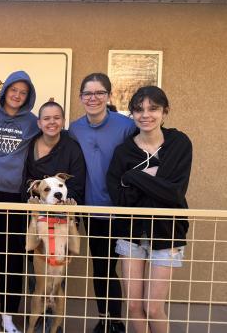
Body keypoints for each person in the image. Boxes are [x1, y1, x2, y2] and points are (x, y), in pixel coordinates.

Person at [107, 86, 192, 333]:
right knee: (133, 305)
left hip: (166, 234)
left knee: (153, 307)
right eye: (139, 109)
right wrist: (153, 179)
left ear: (165, 112)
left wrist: (133, 176)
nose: (146, 114)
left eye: (153, 108)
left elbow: (174, 193)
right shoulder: (124, 151)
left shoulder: (179, 143)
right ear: (132, 114)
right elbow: (120, 199)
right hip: (131, 234)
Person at [69, 73, 135, 333]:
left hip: (122, 210)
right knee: (102, 266)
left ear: (108, 96)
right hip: (93, 210)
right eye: (88, 93)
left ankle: (121, 321)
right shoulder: (75, 129)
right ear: (81, 97)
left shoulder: (126, 126)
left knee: (122, 268)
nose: (93, 98)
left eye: (99, 93)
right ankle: (105, 319)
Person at [0, 70, 39, 333]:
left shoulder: (33, 122)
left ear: (28, 97)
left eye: (23, 92)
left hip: (16, 197)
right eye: (14, 90)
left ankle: (8, 318)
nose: (17, 95)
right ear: (5, 91)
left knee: (13, 260)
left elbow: (53, 137)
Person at [22, 101, 86, 205]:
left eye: (57, 118)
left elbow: (77, 184)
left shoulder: (73, 148)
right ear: (39, 123)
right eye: (46, 118)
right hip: (36, 208)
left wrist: (62, 201)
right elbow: (25, 179)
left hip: (65, 209)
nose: (52, 122)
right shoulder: (29, 145)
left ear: (64, 121)